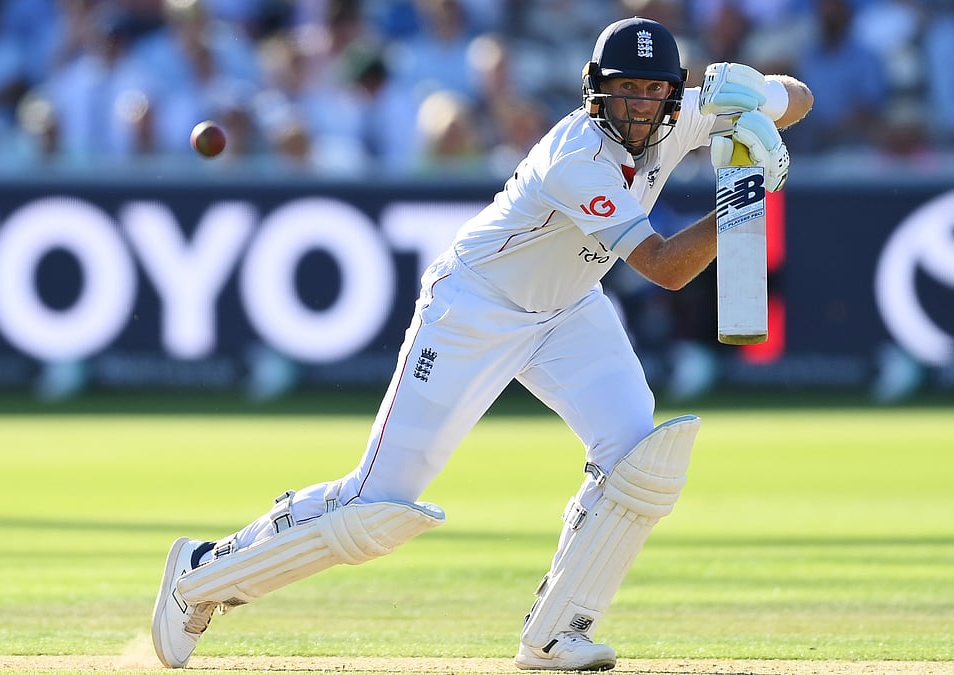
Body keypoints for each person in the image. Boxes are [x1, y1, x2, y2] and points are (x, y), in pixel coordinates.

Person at [152, 16, 812, 672]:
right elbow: (665, 267)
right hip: (474, 308)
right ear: (596, 92)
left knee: (639, 457)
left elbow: (800, 99)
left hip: (567, 307)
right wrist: (747, 195)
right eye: (625, 90)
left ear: (673, 95)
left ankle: (556, 634)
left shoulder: (682, 114)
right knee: (375, 507)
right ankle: (200, 576)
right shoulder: (577, 158)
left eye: (652, 92)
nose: (639, 106)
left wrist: (752, 92)